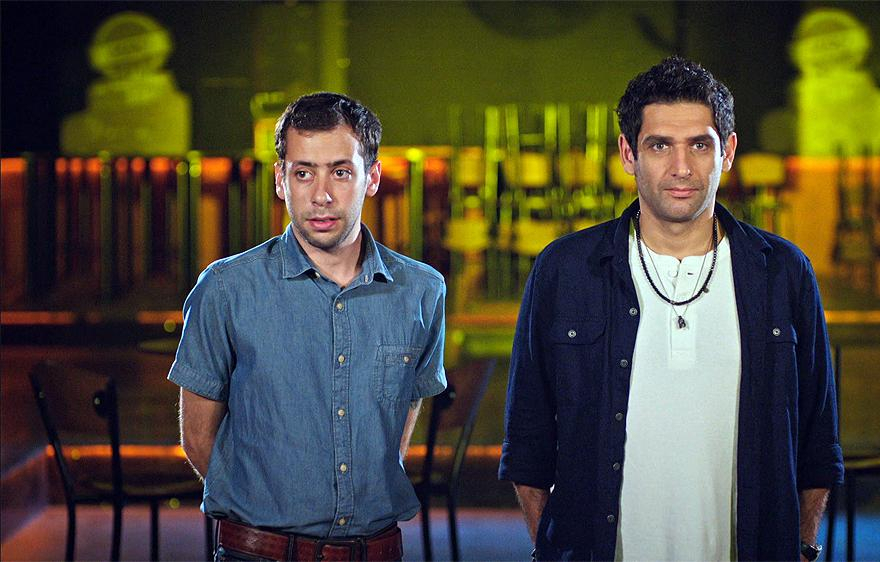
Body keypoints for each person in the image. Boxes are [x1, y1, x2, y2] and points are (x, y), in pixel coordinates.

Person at [499, 56, 844, 561]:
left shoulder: (782, 272)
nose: (681, 167)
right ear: (628, 153)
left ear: (727, 151)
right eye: (659, 145)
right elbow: (527, 441)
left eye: (699, 145)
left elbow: (818, 439)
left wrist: (803, 547)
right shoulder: (566, 270)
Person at [170, 92, 447, 561]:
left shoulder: (421, 291)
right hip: (258, 553)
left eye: (340, 172)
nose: (321, 195)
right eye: (303, 173)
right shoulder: (226, 288)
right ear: (281, 180)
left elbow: (402, 415)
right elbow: (199, 440)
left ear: (372, 177)